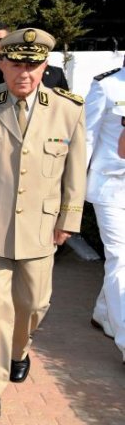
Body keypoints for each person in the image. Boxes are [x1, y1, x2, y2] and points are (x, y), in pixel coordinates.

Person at [0, 28, 86, 420]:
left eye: (33, 64)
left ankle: (18, 350)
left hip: (41, 228)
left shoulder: (68, 109)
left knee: (34, 302)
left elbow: (74, 173)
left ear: (45, 67)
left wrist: (69, 219)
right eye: (16, 64)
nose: (23, 72)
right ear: (1, 64)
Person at [84, 66, 125, 363]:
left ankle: (103, 312)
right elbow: (86, 137)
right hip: (109, 186)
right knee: (120, 259)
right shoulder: (107, 87)